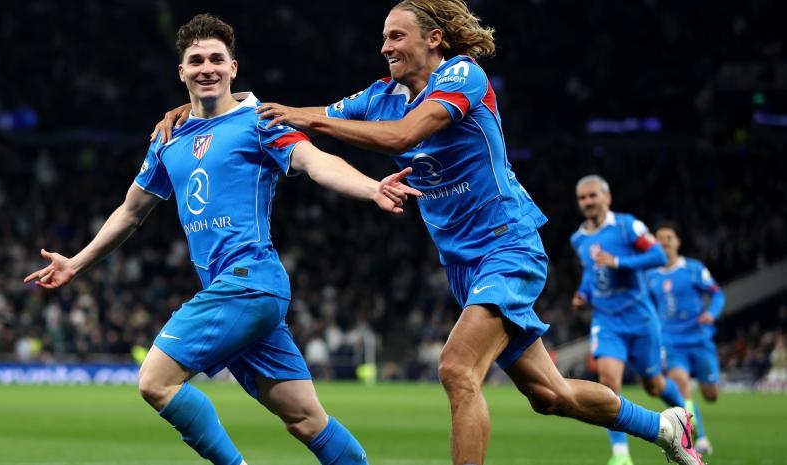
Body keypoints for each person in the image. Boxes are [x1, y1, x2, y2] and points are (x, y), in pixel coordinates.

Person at [154, 2, 701, 465]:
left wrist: (303, 120)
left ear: (433, 39)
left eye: (397, 36)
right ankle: (663, 429)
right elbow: (309, 112)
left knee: (456, 369)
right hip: (464, 265)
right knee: (549, 394)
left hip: (508, 246)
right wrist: (205, 111)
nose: (386, 47)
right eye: (383, 38)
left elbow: (402, 135)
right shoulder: (381, 93)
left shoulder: (462, 77)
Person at [25, 13, 421, 465]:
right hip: (241, 293)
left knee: (155, 381)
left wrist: (373, 188)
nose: (207, 68)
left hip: (248, 280)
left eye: (217, 58)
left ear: (234, 67)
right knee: (306, 420)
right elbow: (131, 212)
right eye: (196, 60)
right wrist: (75, 263)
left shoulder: (260, 121)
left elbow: (314, 161)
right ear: (182, 72)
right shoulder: (167, 139)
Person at [571, 175, 693, 465]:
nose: (588, 202)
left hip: (640, 319)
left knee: (653, 384)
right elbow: (591, 272)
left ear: (607, 197)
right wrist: (583, 293)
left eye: (593, 196)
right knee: (609, 381)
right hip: (606, 320)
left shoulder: (628, 226)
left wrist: (619, 262)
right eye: (582, 198)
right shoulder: (578, 238)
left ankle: (687, 416)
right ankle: (621, 454)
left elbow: (657, 256)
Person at [647, 222, 725, 455]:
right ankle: (697, 436)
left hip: (699, 339)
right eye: (659, 238)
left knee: (711, 395)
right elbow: (649, 306)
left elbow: (717, 293)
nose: (663, 242)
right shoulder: (651, 276)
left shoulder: (693, 269)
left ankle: (694, 417)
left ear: (677, 242)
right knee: (680, 384)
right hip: (671, 342)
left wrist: (712, 313)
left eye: (668, 237)